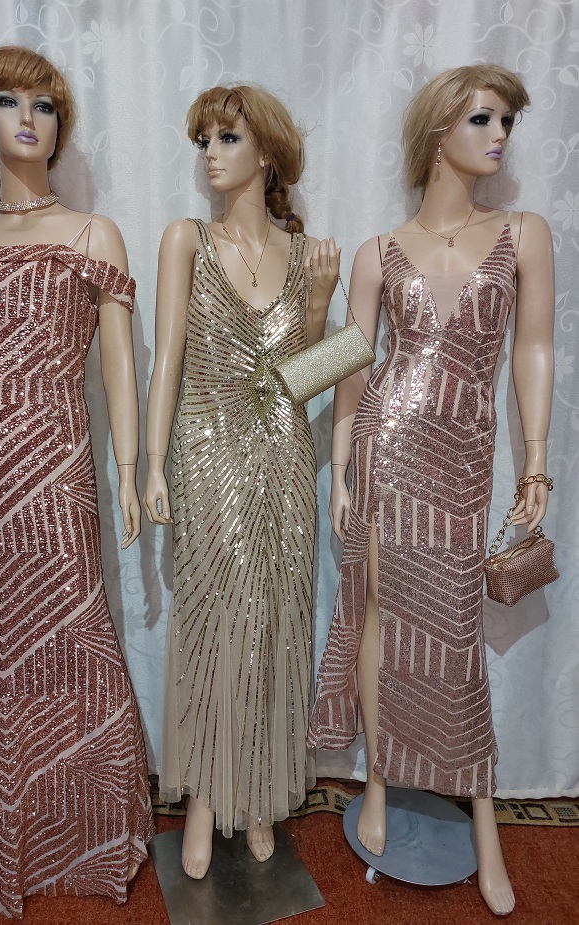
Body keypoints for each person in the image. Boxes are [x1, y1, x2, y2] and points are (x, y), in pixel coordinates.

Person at [307, 64, 554, 917]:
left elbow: (533, 350)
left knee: (454, 632)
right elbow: (352, 359)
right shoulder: (377, 251)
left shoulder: (523, 233)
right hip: (387, 449)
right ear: (439, 131)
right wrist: (340, 462)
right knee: (378, 612)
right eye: (483, 118)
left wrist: (536, 463)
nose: (500, 134)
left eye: (508, 120)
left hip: (461, 460)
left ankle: (482, 814)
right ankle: (380, 781)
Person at [0, 45, 154, 918]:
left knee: (73, 640)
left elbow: (120, 368)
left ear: (60, 126)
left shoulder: (93, 234)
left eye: (45, 105)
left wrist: (128, 469)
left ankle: (90, 838)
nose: (27, 117)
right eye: (9, 101)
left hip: (54, 464)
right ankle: (10, 837)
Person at [144, 85, 339, 879]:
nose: (211, 154)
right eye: (204, 140)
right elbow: (167, 362)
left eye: (227, 138)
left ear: (267, 153)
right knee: (215, 622)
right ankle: (202, 798)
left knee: (274, 626)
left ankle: (258, 797)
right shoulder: (184, 241)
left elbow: (304, 381)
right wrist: (150, 464)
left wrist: (319, 303)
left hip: (283, 463)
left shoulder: (307, 252)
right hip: (205, 456)